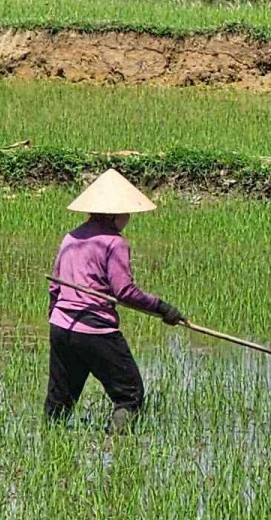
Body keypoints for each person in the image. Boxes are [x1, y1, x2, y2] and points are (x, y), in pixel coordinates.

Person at [45, 168, 185, 425]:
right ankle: (118, 451)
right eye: (126, 212)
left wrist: (57, 321)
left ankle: (48, 444)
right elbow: (124, 292)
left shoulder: (71, 237)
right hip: (94, 329)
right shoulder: (113, 242)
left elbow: (54, 289)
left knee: (60, 401)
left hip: (61, 326)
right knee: (129, 394)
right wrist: (163, 308)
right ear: (115, 214)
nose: (128, 217)